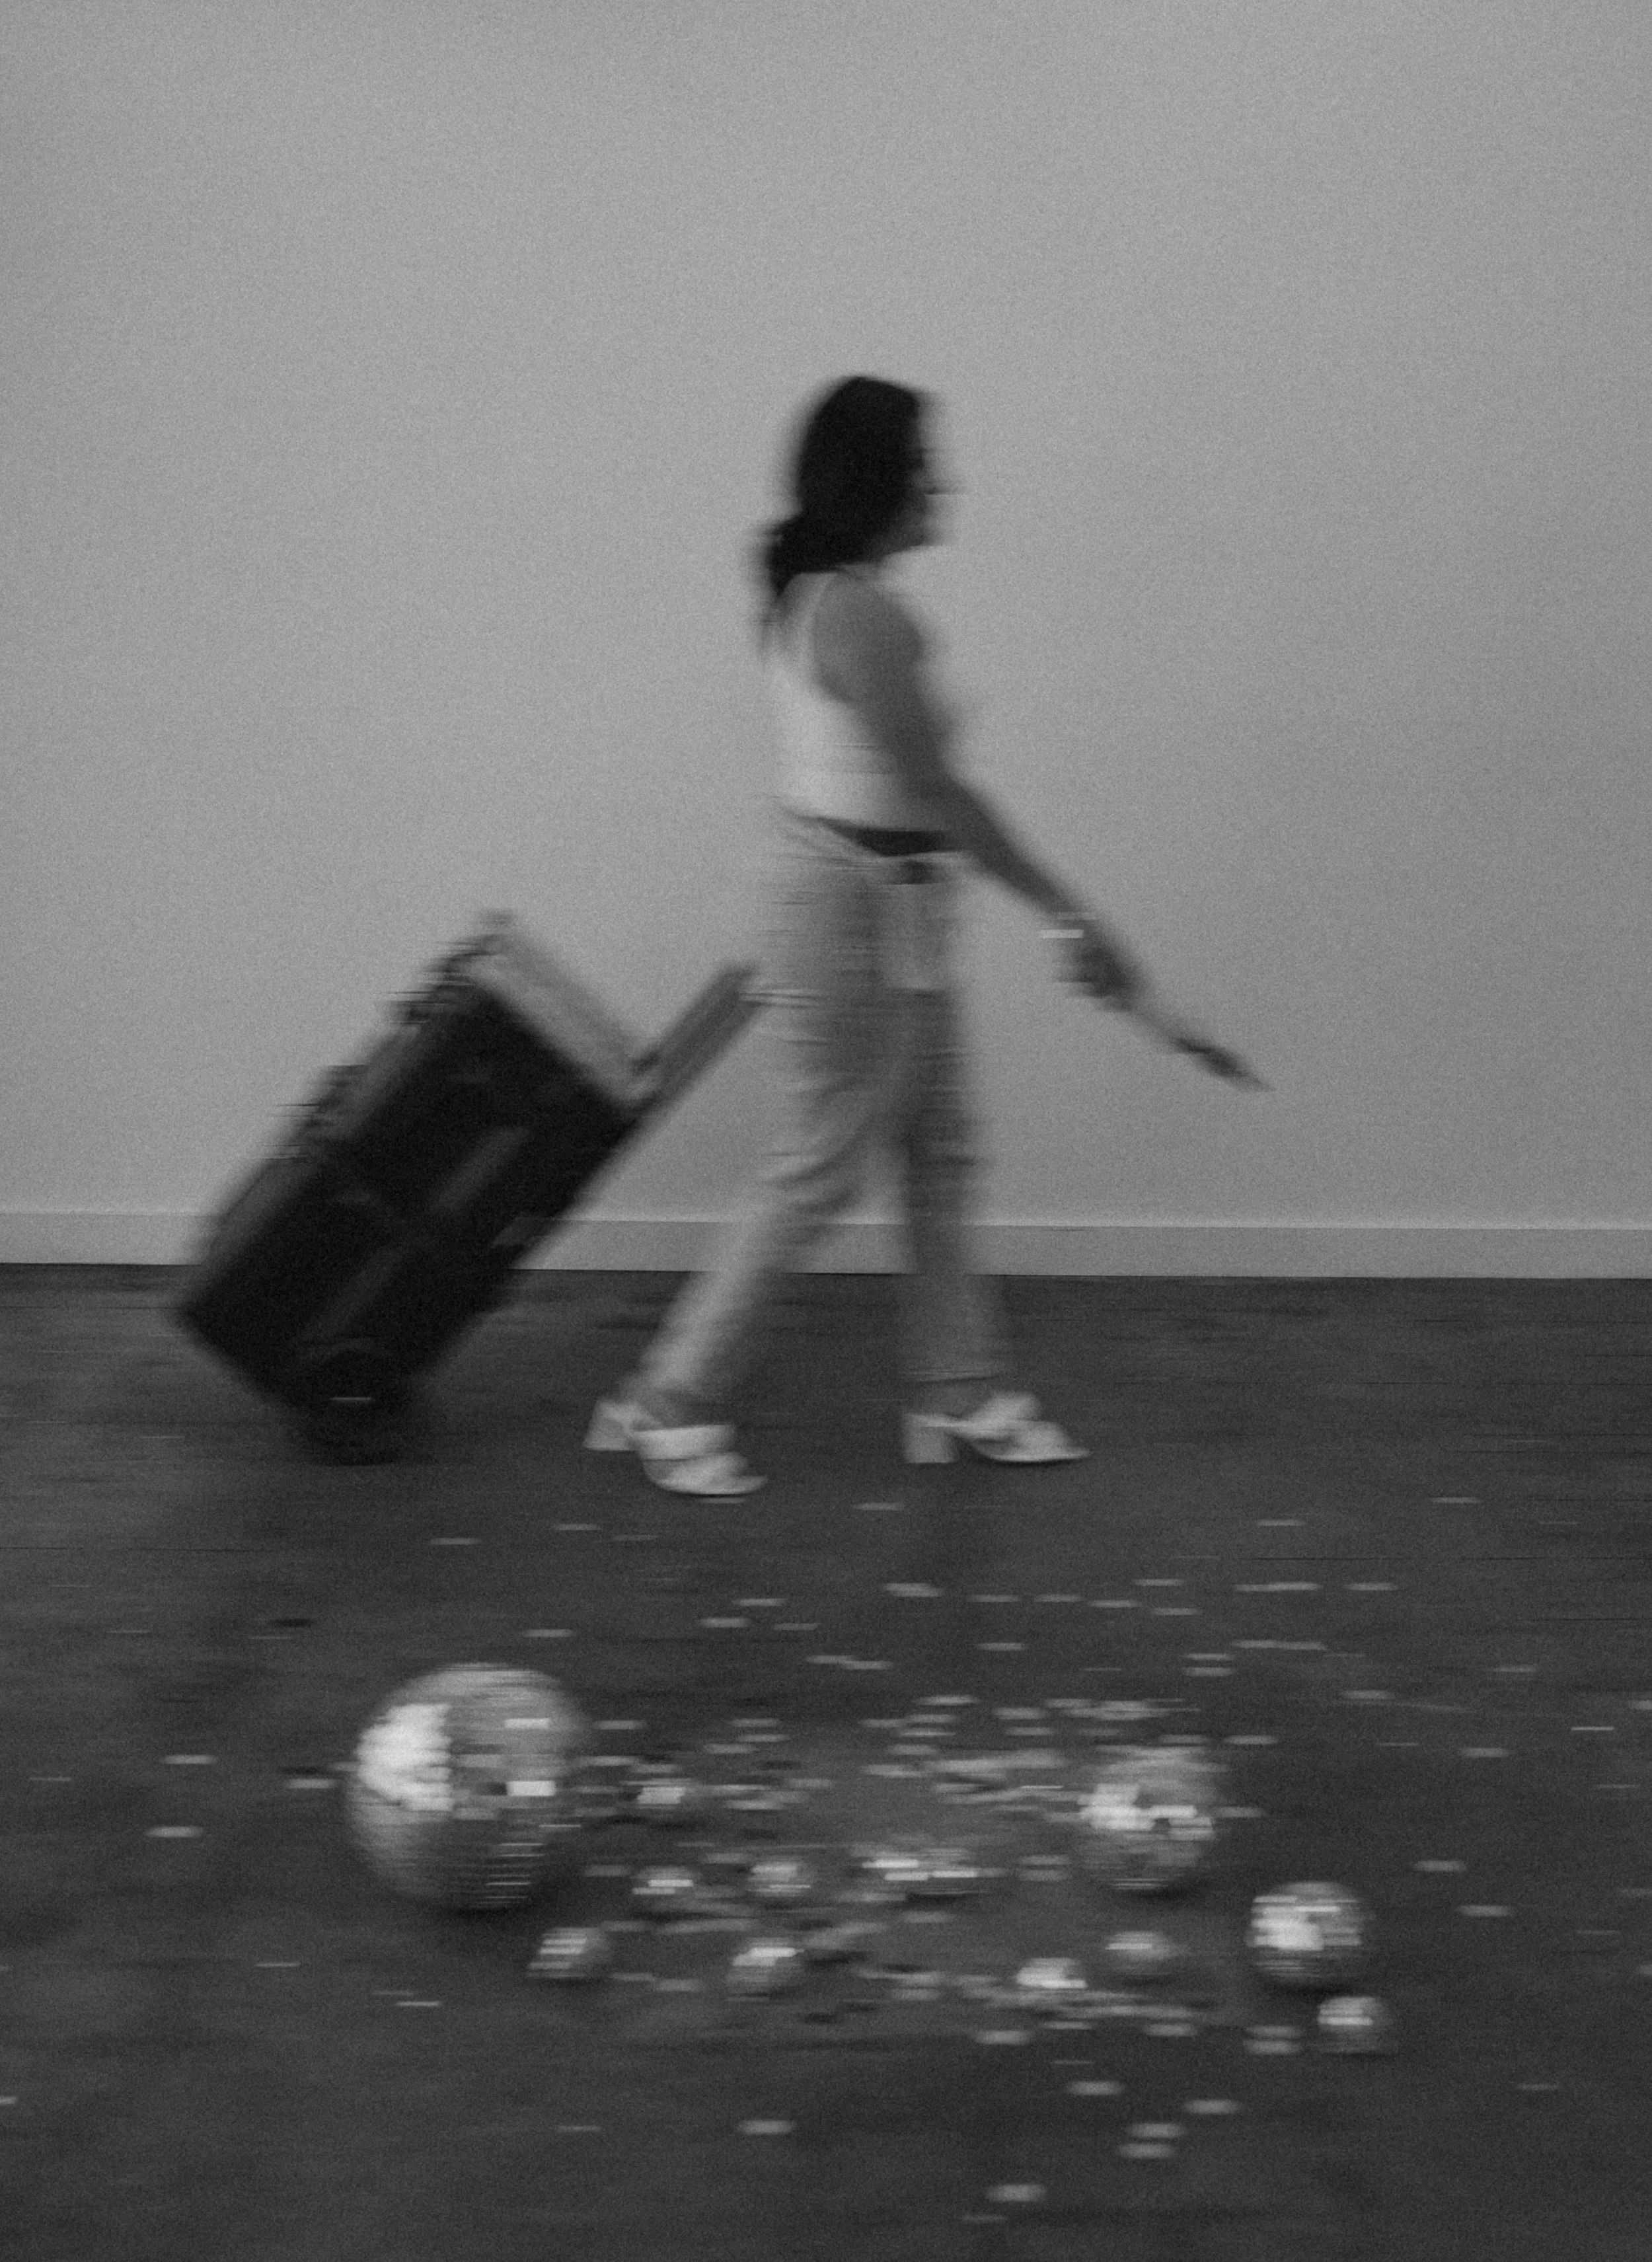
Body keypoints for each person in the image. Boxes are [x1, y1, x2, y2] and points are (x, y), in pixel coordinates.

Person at [585, 375, 1148, 1497]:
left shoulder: (837, 600)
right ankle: (668, 1399)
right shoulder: (859, 614)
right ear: (879, 481)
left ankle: (958, 1389)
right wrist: (1069, 913)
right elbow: (938, 789)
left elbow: (919, 804)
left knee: (939, 1150)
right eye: (926, 462)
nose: (945, 483)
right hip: (848, 901)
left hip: (889, 900)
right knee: (819, 1164)